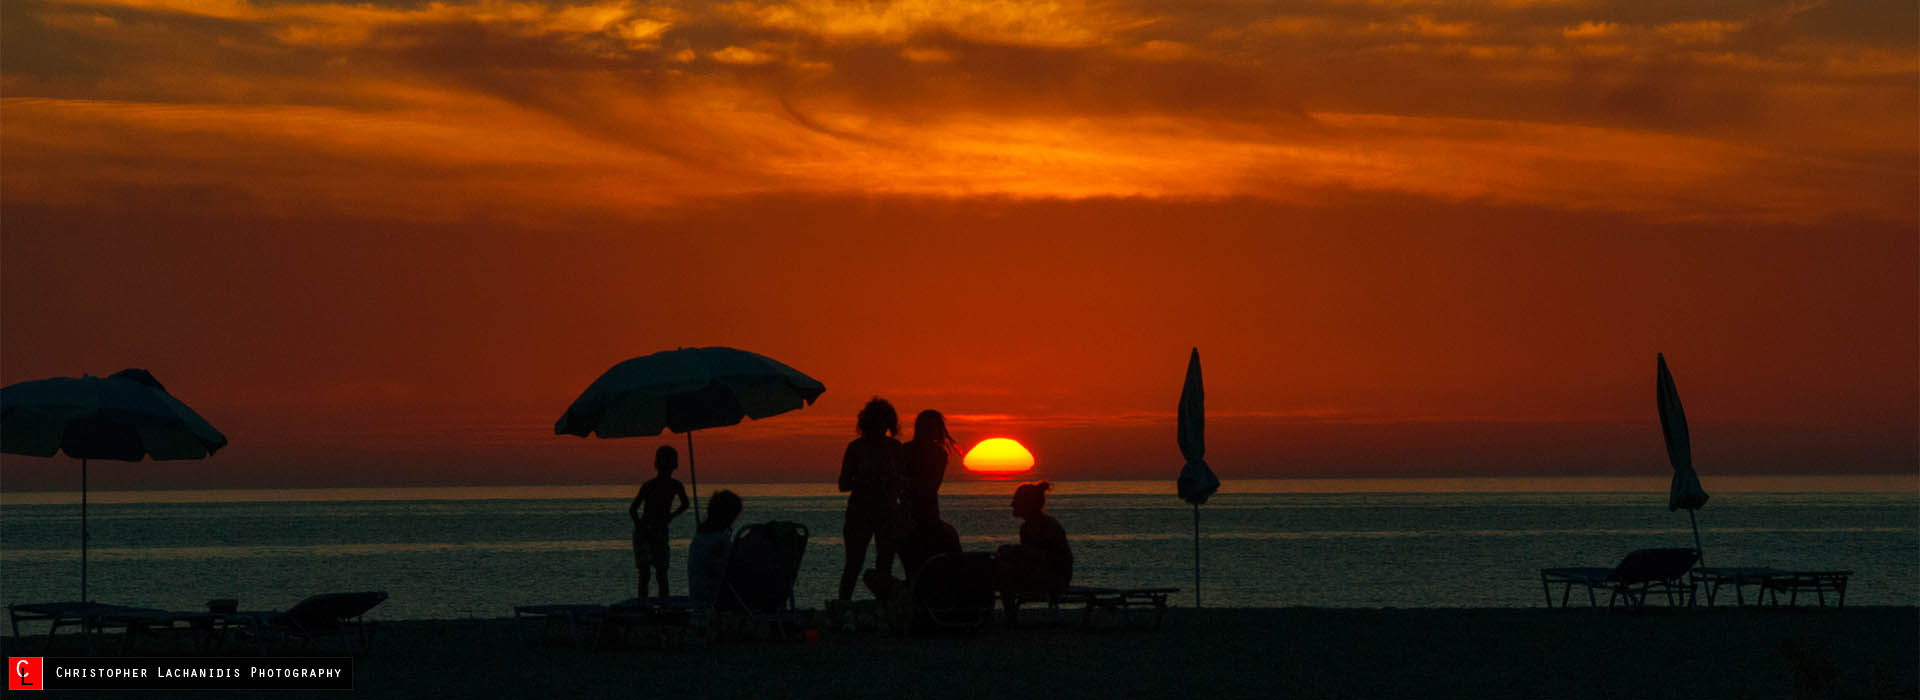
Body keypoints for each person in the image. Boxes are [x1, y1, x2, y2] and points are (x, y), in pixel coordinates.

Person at [838, 397, 905, 600]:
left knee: (884, 565)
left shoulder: (895, 448)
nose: (880, 428)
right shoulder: (856, 448)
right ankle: (843, 607)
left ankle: (882, 608)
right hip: (861, 512)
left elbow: (902, 482)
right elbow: (843, 484)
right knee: (854, 564)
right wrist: (866, 479)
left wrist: (892, 480)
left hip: (887, 512)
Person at [995, 481, 1072, 626]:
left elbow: (1058, 560)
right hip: (1041, 574)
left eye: (1016, 501)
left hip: (1056, 578)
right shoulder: (1026, 527)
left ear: (1027, 504)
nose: (1012, 505)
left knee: (1004, 573)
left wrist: (1019, 552)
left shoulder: (1048, 526)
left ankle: (1009, 619)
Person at [628, 445, 689, 601]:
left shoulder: (675, 485)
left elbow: (685, 504)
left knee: (660, 573)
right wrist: (642, 528)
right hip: (646, 531)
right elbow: (633, 510)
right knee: (647, 574)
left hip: (659, 530)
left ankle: (663, 607)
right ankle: (645, 606)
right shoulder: (650, 485)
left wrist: (671, 516)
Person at [900, 410, 957, 529]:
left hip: (924, 510)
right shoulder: (905, 450)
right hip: (913, 509)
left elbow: (932, 486)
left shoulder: (939, 453)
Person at [688, 490, 743, 606]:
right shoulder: (720, 540)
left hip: (698, 596)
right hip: (711, 599)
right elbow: (730, 570)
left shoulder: (701, 536)